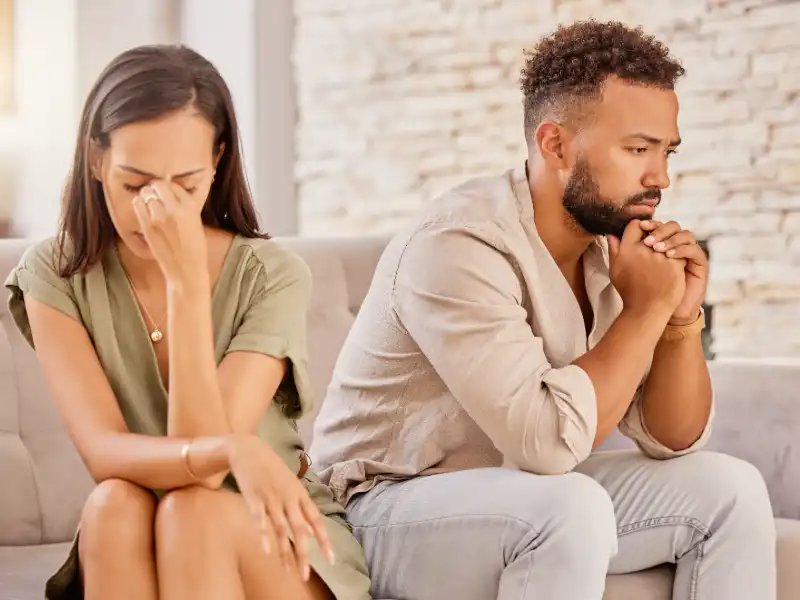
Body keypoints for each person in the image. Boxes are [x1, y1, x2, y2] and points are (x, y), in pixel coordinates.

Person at [309, 20, 776, 600]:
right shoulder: (457, 243)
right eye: (637, 149)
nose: (661, 177)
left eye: (665, 150)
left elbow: (670, 440)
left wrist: (677, 320)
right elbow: (548, 443)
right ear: (555, 144)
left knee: (731, 489)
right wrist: (642, 312)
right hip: (378, 512)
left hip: (519, 494)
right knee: (568, 505)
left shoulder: (612, 248)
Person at [5, 44, 371, 600]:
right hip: (140, 527)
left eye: (186, 184)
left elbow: (204, 476)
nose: (158, 207)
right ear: (95, 159)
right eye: (134, 184)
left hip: (270, 538)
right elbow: (104, 454)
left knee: (192, 511)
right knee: (114, 504)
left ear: (218, 162)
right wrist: (230, 448)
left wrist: (186, 287)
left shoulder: (272, 275)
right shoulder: (54, 274)